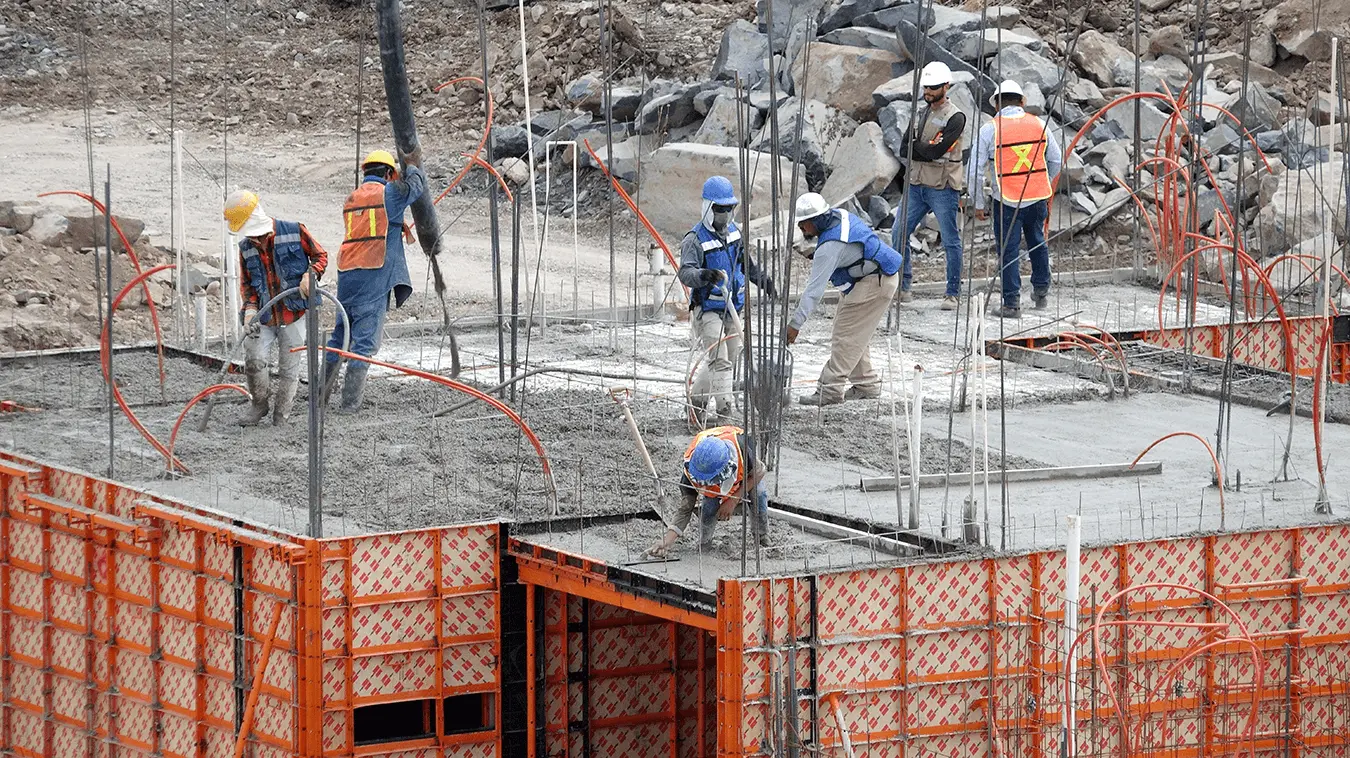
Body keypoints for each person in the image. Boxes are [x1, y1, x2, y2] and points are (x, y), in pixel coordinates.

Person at [324, 149, 427, 413]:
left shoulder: (352, 198)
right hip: (373, 273)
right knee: (364, 343)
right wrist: (412, 167)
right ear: (389, 173)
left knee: (340, 337)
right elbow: (415, 188)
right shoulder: (388, 194)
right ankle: (349, 405)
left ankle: (319, 396)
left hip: (347, 274)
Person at [676, 176, 776, 424]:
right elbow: (685, 273)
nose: (725, 214)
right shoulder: (695, 239)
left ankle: (695, 404)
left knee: (725, 361)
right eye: (720, 209)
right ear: (709, 208)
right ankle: (725, 414)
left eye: (729, 208)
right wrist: (704, 275)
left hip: (733, 308)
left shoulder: (734, 233)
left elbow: (747, 265)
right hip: (708, 309)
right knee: (719, 362)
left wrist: (764, 281)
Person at [786, 193, 902, 406]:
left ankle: (830, 390)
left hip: (874, 282)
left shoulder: (829, 248)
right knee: (855, 333)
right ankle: (866, 384)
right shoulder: (840, 215)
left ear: (816, 220)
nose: (801, 229)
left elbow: (814, 291)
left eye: (803, 224)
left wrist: (795, 325)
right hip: (874, 277)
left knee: (845, 335)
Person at [223, 189, 328, 426]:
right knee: (254, 359)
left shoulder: (294, 230)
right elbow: (248, 284)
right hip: (264, 315)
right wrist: (250, 310)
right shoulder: (246, 247)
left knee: (289, 368)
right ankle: (259, 405)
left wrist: (310, 275)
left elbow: (320, 256)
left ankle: (281, 416)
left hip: (294, 313)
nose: (254, 239)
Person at [968, 79, 1063, 318]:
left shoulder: (990, 129)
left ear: (996, 105)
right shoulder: (1039, 124)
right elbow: (1055, 160)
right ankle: (1041, 291)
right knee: (1037, 242)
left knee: (1008, 250)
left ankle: (1011, 303)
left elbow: (973, 171)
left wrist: (978, 203)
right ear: (1022, 102)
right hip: (1037, 197)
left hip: (1006, 200)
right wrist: (1043, 183)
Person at [891, 61, 969, 310]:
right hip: (916, 184)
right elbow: (904, 148)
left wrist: (920, 148)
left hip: (942, 186)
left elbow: (937, 151)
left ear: (946, 86)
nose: (928, 92)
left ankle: (952, 293)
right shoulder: (919, 113)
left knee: (950, 240)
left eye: (933, 88)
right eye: (926, 87)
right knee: (898, 233)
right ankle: (903, 286)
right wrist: (924, 149)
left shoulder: (955, 117)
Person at [644, 425, 770, 558]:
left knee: (759, 493)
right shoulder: (692, 472)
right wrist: (666, 542)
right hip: (713, 459)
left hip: (741, 465)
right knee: (709, 505)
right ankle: (705, 543)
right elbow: (685, 509)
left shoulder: (742, 451)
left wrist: (733, 500)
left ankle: (762, 536)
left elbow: (760, 471)